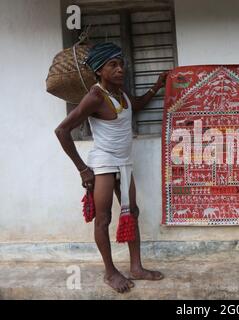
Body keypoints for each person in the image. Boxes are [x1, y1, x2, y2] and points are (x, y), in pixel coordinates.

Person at [55, 42, 168, 293]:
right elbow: (62, 131)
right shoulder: (94, 97)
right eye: (113, 65)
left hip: (125, 163)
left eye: (121, 64)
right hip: (104, 164)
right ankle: (110, 272)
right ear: (99, 70)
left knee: (132, 212)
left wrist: (157, 86)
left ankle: (136, 267)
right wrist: (83, 169)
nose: (120, 69)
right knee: (103, 219)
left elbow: (135, 106)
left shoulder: (121, 92)